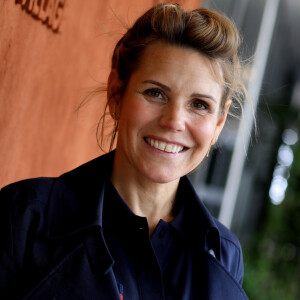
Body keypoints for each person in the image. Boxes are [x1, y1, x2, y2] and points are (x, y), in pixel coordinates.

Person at [0, 3, 250, 299]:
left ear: (218, 125)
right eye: (155, 93)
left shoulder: (223, 254)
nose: (174, 122)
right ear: (116, 94)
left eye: (199, 105)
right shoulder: (24, 217)